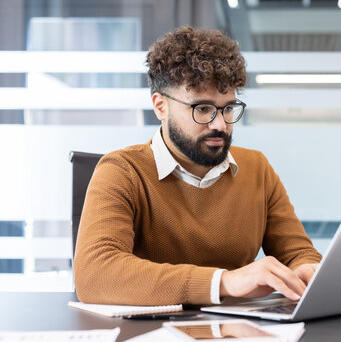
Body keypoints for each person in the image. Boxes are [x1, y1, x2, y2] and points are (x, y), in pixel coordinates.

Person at [73, 26, 322, 306]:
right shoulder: (121, 170)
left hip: (239, 331)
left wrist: (306, 269)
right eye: (202, 109)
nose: (220, 125)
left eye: (228, 108)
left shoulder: (257, 168)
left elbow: (298, 252)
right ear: (160, 107)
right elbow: (96, 275)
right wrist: (223, 282)